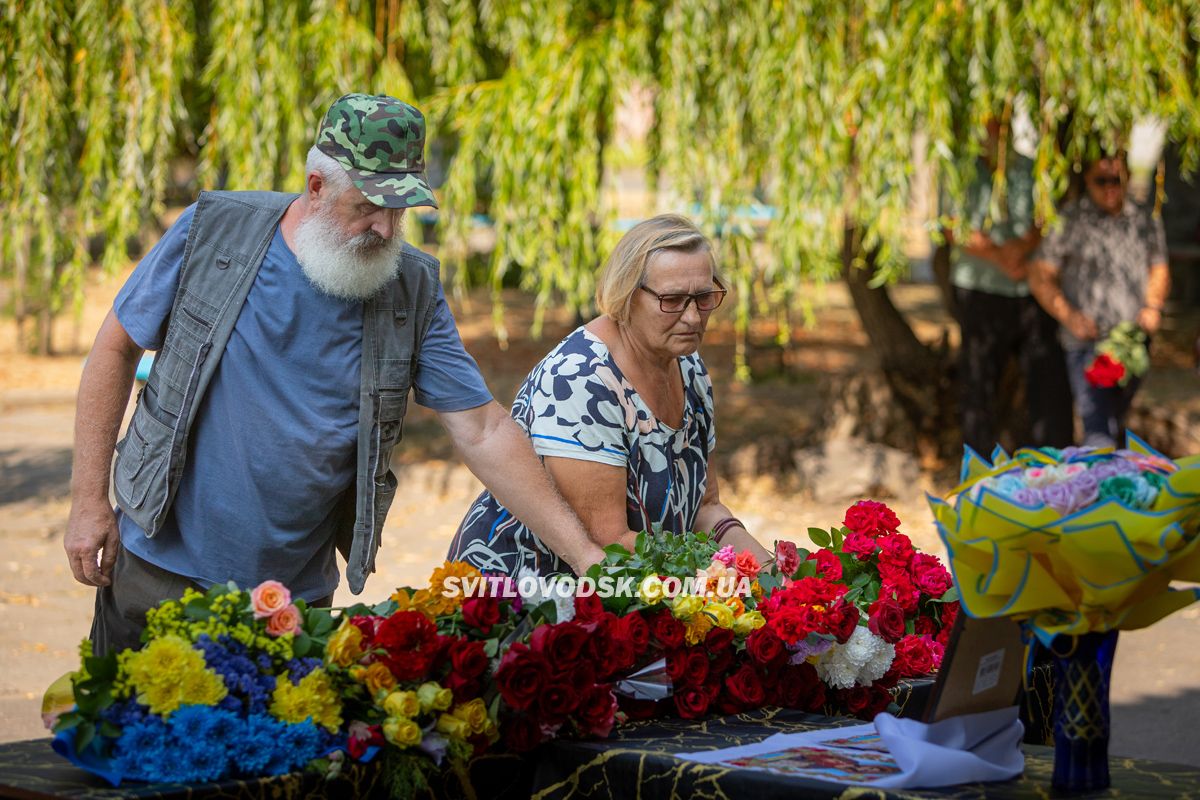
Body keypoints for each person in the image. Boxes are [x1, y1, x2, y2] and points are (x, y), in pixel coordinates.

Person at [64, 93, 604, 656]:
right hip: (159, 571)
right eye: (369, 205)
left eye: (400, 209)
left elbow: (483, 429)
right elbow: (115, 349)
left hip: (292, 599)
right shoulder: (215, 230)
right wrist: (88, 503)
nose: (386, 227)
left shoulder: (411, 288)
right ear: (316, 186)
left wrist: (583, 553)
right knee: (137, 739)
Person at [448, 215, 772, 576]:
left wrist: (773, 572)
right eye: (673, 300)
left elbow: (706, 507)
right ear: (627, 295)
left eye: (704, 296)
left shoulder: (688, 365)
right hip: (530, 593)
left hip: (646, 579)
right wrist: (724, 581)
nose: (694, 317)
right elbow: (609, 542)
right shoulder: (582, 380)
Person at [1029, 153, 1171, 447]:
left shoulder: (1145, 218)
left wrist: (1153, 306)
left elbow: (1158, 267)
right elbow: (1040, 275)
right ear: (1086, 180)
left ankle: (1110, 485)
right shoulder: (1070, 219)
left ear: (1128, 177)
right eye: (1101, 180)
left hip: (1131, 343)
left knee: (1114, 422)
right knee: (1097, 431)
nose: (1110, 188)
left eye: (1116, 180)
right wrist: (1069, 316)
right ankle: (1097, 487)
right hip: (1087, 344)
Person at [949, 122, 1074, 455]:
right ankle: (977, 464)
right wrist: (1000, 256)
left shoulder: (1030, 168)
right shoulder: (959, 168)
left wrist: (1020, 248)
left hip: (1027, 288)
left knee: (1048, 378)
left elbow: (1045, 219)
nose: (992, 128)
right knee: (978, 381)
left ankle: (1056, 460)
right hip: (980, 287)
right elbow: (950, 225)